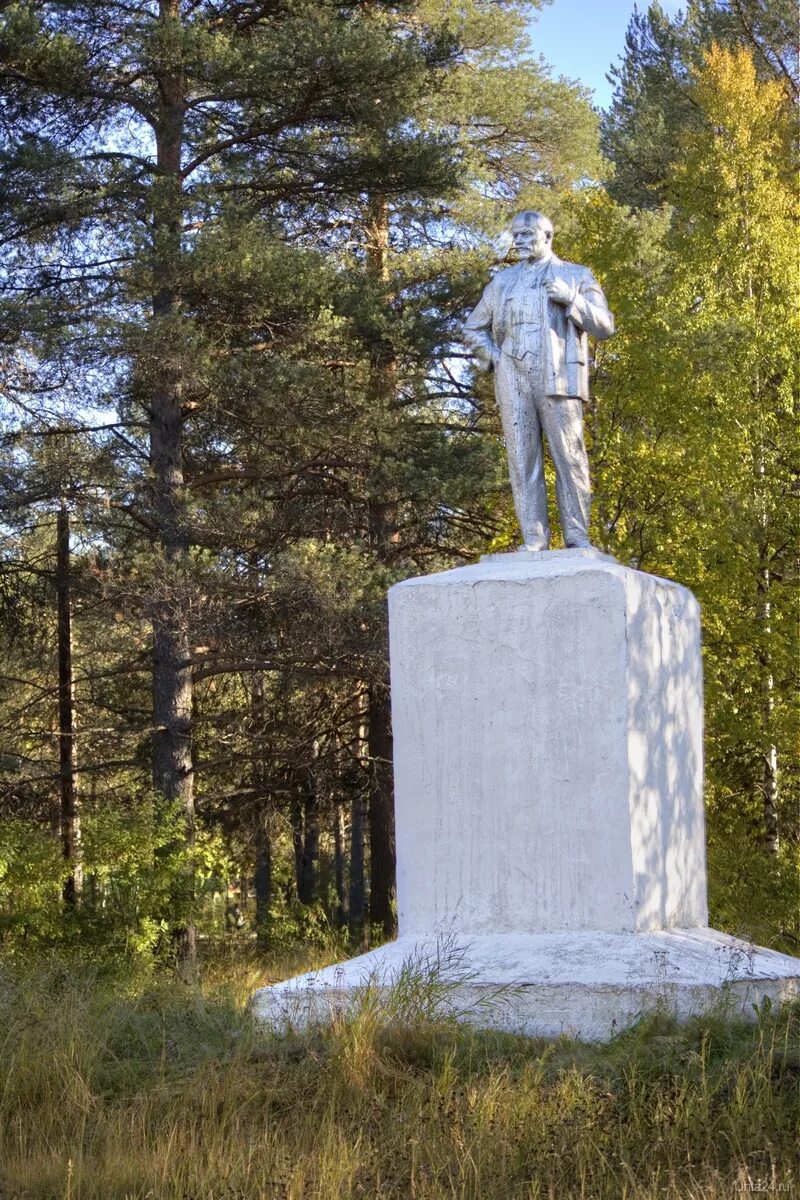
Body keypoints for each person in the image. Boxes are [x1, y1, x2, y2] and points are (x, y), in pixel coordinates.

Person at [463, 211, 614, 551]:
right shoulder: (502, 283)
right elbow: (472, 329)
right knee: (522, 460)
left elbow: (605, 325)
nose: (518, 240)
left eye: (527, 234)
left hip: (559, 378)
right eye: (515, 234)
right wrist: (497, 359)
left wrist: (572, 299)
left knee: (570, 457)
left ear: (548, 236)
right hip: (513, 377)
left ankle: (577, 537)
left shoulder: (575, 275)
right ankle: (533, 538)